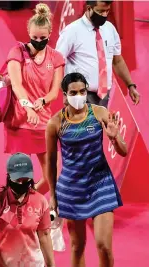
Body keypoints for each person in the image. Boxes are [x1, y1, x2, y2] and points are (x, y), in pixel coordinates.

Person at [46, 72, 128, 267]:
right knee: (77, 246)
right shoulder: (55, 123)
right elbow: (50, 161)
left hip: (101, 184)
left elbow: (123, 151)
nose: (79, 96)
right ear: (64, 95)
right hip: (71, 189)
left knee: (104, 246)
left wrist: (115, 137)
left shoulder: (99, 112)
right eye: (73, 92)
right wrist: (52, 195)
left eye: (82, 91)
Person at [4, 3, 65, 194]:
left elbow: (55, 92)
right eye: (34, 37)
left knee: (51, 177)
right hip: (20, 122)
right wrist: (28, 107)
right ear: (28, 33)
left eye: (43, 38)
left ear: (50, 34)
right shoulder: (17, 53)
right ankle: (18, 213)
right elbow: (16, 84)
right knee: (19, 177)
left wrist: (43, 101)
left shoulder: (56, 58)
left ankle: (30, 201)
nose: (38, 41)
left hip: (43, 123)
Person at [56, 1, 140, 107]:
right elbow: (56, 63)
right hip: (79, 96)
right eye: (100, 11)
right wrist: (64, 92)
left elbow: (117, 61)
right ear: (88, 8)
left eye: (107, 11)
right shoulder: (71, 31)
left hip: (104, 96)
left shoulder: (110, 29)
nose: (104, 15)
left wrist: (130, 85)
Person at [0, 152, 55, 267]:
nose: (21, 183)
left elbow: (44, 235)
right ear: (9, 176)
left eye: (25, 179)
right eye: (18, 179)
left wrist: (51, 265)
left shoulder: (40, 201)